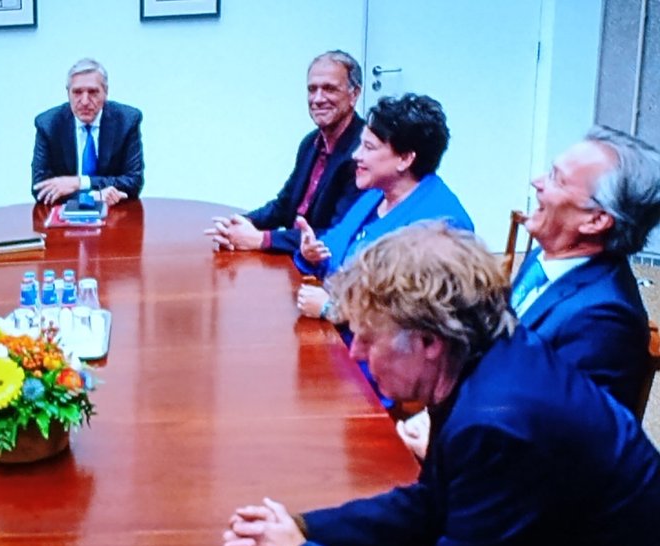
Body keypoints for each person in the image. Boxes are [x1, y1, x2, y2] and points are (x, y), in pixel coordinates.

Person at [223, 222, 660, 546]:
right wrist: (303, 529)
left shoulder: (495, 422)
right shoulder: (487, 355)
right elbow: (433, 503)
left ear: (428, 341)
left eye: (369, 337)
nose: (355, 353)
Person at [398, 126, 660, 459]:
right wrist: (441, 411)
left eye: (556, 179)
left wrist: (446, 443)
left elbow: (565, 445)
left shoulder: (603, 321)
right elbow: (494, 358)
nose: (537, 182)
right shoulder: (545, 257)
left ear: (595, 221)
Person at [293, 93, 472, 320]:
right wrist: (313, 255)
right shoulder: (377, 193)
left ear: (405, 159)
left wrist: (333, 309)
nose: (356, 155)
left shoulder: (442, 224)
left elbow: (417, 318)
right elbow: (335, 246)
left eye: (369, 147)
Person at [204, 51, 365, 254]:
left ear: (354, 94)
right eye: (312, 89)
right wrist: (241, 223)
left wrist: (262, 239)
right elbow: (284, 206)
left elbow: (337, 233)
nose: (317, 99)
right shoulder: (310, 143)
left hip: (325, 269)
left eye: (329, 89)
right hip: (293, 256)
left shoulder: (363, 152)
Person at [31, 58, 144, 207]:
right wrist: (93, 196)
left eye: (93, 92)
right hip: (65, 216)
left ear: (106, 92)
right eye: (77, 92)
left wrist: (80, 183)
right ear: (68, 93)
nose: (84, 101)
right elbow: (40, 188)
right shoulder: (48, 124)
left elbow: (134, 181)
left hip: (114, 215)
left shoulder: (127, 121)